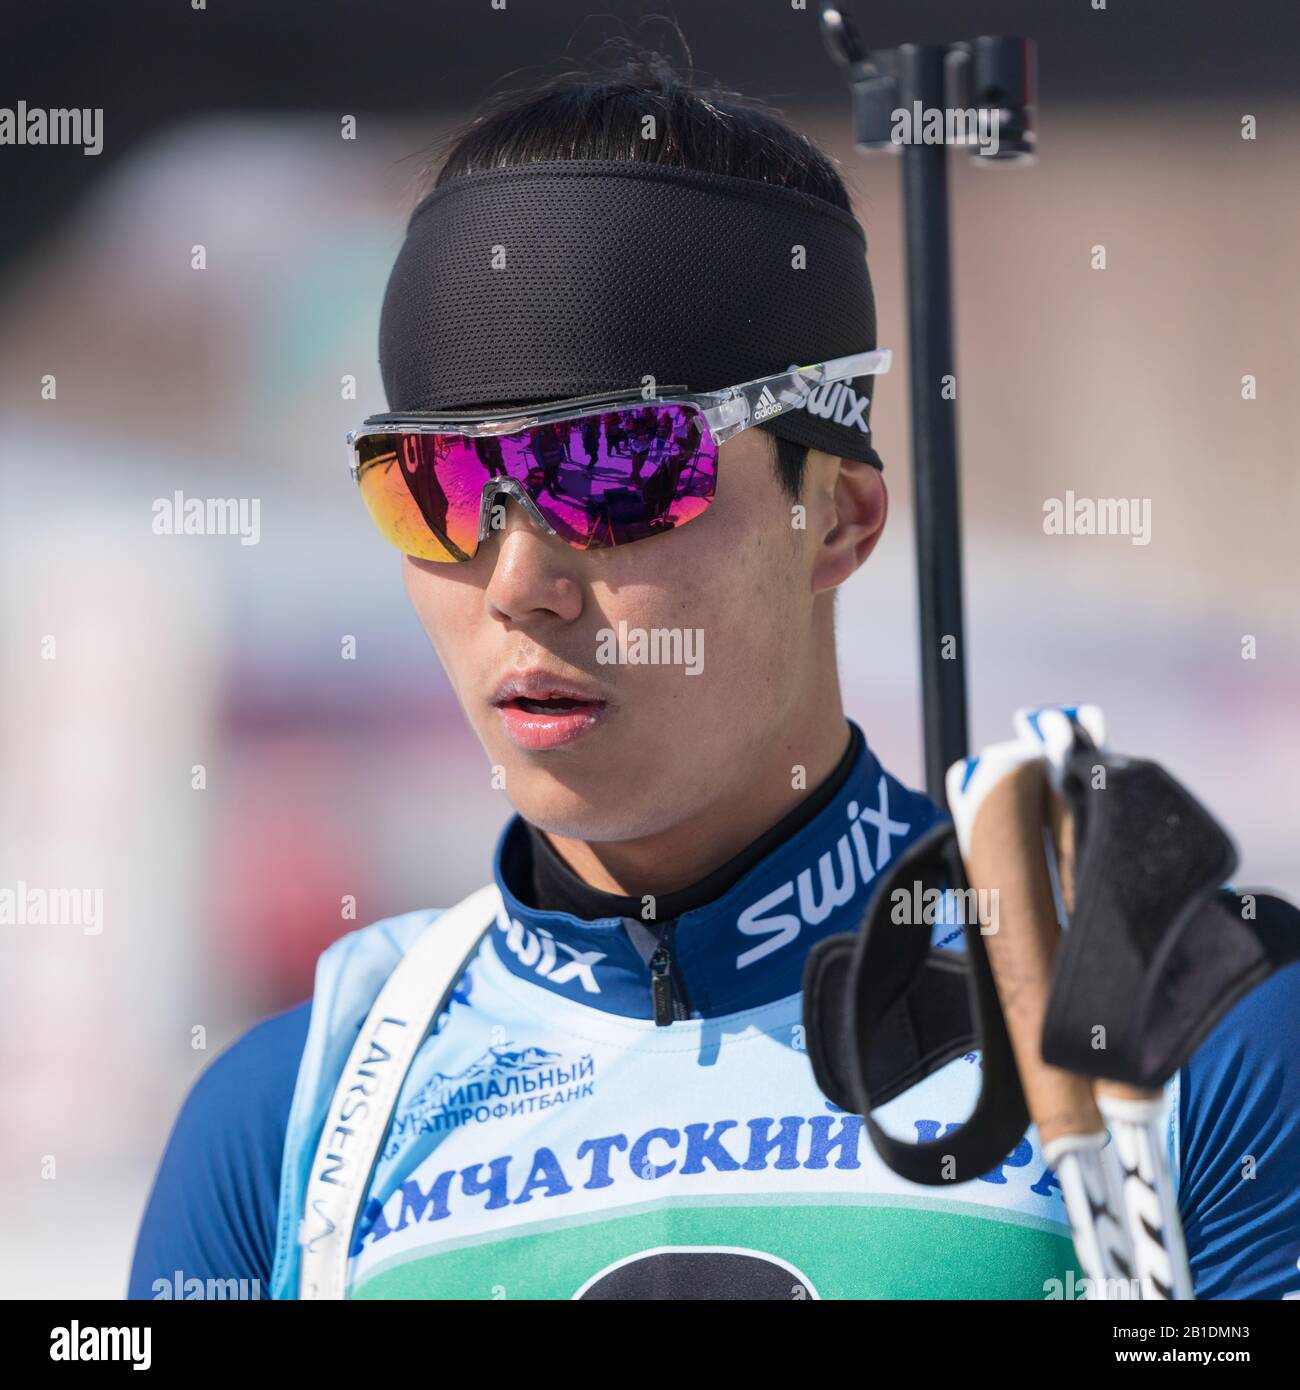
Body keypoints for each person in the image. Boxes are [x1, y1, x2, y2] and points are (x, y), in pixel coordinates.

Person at [129, 51, 1300, 1302]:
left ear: (839, 519)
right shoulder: (288, 1120)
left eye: (619, 468)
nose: (521, 578)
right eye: (439, 487)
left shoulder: (1164, 1024)